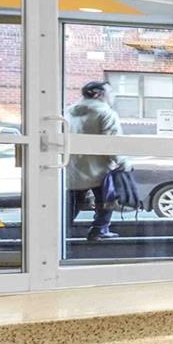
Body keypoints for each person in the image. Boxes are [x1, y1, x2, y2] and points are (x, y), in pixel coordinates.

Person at [66, 81, 122, 241]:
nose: (113, 96)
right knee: (107, 200)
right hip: (100, 166)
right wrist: (121, 162)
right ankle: (99, 230)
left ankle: (58, 230)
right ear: (98, 94)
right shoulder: (106, 113)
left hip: (74, 165)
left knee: (73, 201)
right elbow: (111, 141)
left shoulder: (69, 112)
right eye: (110, 92)